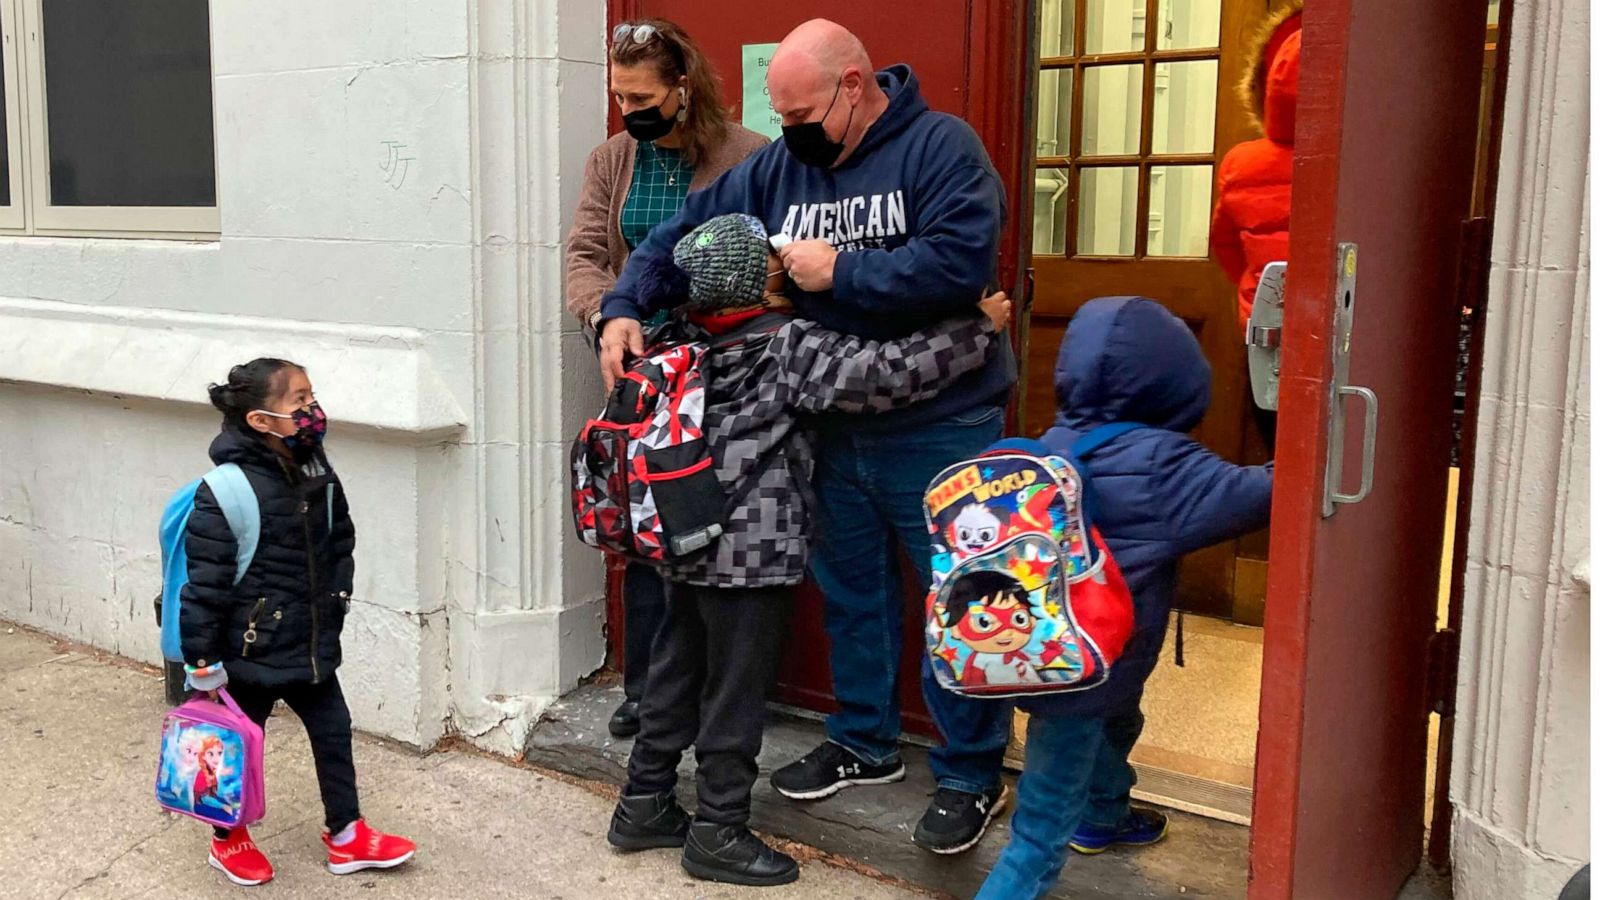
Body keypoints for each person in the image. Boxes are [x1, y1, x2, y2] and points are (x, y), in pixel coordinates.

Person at [594, 19, 1018, 854]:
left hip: (939, 425)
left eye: (802, 117)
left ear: (854, 87)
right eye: (780, 119)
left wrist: (841, 272)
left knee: (960, 597)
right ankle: (864, 743)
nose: (788, 136)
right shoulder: (781, 164)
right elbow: (686, 231)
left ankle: (971, 773)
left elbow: (963, 263)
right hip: (826, 420)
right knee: (855, 594)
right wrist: (621, 306)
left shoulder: (942, 148)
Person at [974, 297, 1274, 899]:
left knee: (1120, 718)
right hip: (1090, 669)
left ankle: (1105, 812)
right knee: (1036, 839)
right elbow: (1265, 494)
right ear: (1178, 380)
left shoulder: (1050, 445)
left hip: (1038, 653)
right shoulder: (1166, 466)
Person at [566, 18, 768, 739]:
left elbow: (772, 256)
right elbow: (587, 252)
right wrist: (605, 317)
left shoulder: (749, 155)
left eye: (644, 97)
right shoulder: (611, 159)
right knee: (645, 527)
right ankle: (650, 690)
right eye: (620, 96)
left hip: (726, 368)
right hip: (639, 370)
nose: (630, 111)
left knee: (719, 521)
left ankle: (720, 692)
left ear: (684, 87)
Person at [179, 359, 415, 887]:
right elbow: (204, 586)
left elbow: (340, 537)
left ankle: (347, 833)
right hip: (249, 649)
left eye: (313, 398)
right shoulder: (226, 489)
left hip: (309, 640)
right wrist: (201, 661)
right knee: (235, 747)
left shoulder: (314, 467)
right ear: (261, 420)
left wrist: (338, 597)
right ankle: (228, 838)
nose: (312, 411)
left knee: (333, 732)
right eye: (298, 402)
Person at [1210, 2, 1302, 451]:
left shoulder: (1241, 163)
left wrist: (1254, 292)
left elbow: (1225, 246)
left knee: (1281, 454)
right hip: (1348, 336)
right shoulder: (1360, 163)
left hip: (1267, 332)